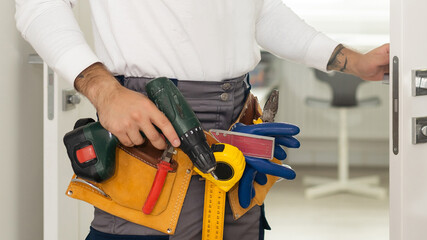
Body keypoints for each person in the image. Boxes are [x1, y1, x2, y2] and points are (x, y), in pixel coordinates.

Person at [15, 0, 389, 239]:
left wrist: (351, 61)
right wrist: (104, 90)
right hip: (153, 125)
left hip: (237, 126)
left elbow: (261, 12)